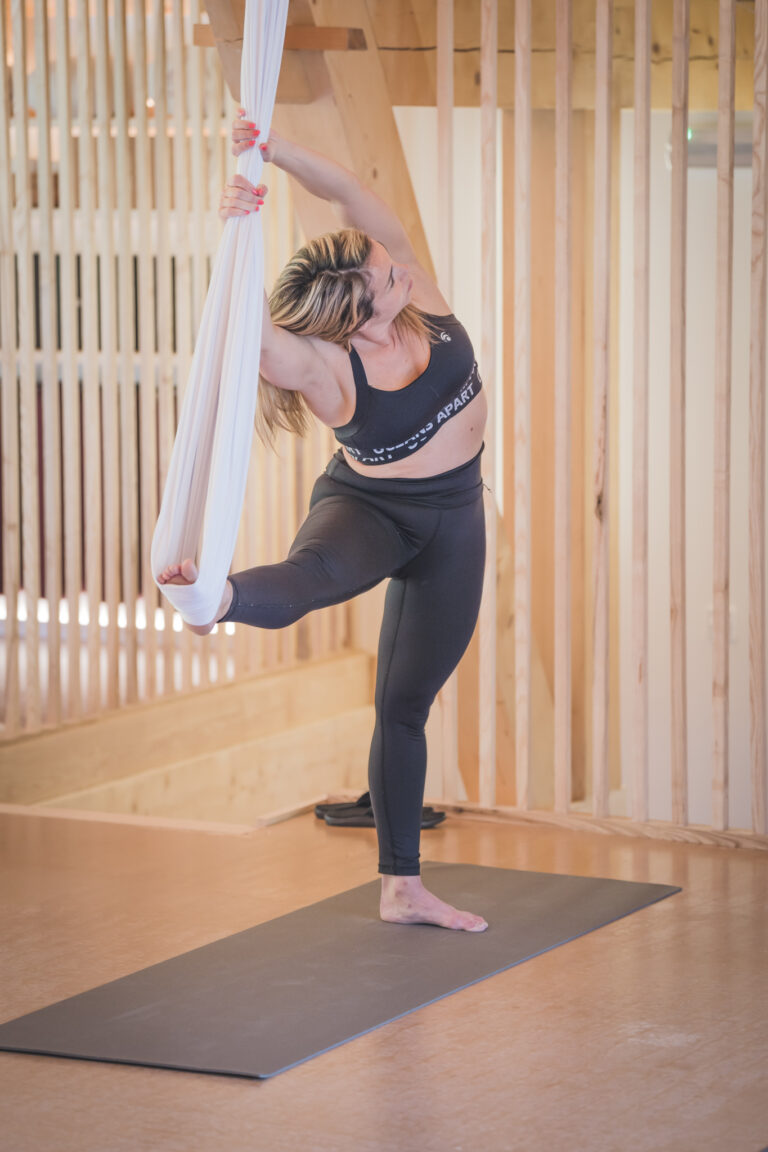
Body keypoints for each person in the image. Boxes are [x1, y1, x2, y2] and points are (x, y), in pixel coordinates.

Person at [159, 114, 489, 932]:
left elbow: (348, 192)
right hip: (371, 510)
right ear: (356, 310)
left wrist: (272, 151)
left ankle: (402, 889)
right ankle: (212, 601)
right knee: (311, 580)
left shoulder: (415, 293)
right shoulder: (323, 366)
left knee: (405, 705)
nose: (401, 266)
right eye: (387, 274)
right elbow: (246, 334)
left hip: (456, 515)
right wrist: (237, 234)